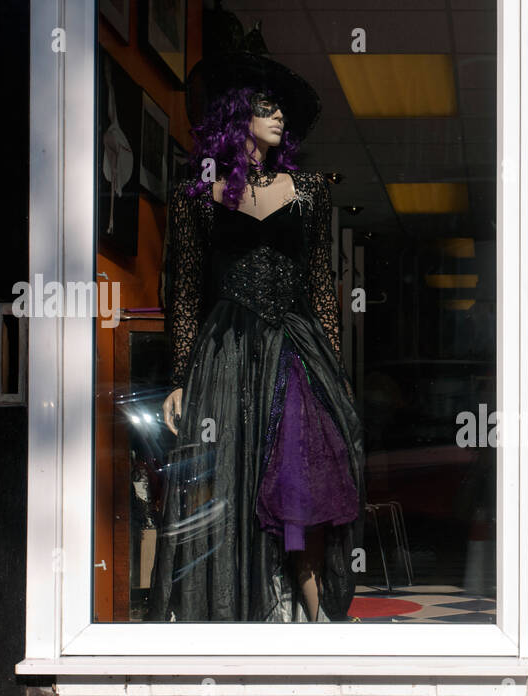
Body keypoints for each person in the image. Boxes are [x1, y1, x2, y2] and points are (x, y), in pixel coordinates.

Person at [147, 52, 363, 624]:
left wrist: (333, 376)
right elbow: (187, 292)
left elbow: (322, 290)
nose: (279, 117)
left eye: (282, 109)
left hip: (294, 353)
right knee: (228, 487)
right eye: (266, 106)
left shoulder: (311, 191)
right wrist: (178, 378)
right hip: (226, 354)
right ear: (236, 112)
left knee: (302, 486)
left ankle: (321, 625)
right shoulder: (196, 195)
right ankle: (231, 622)